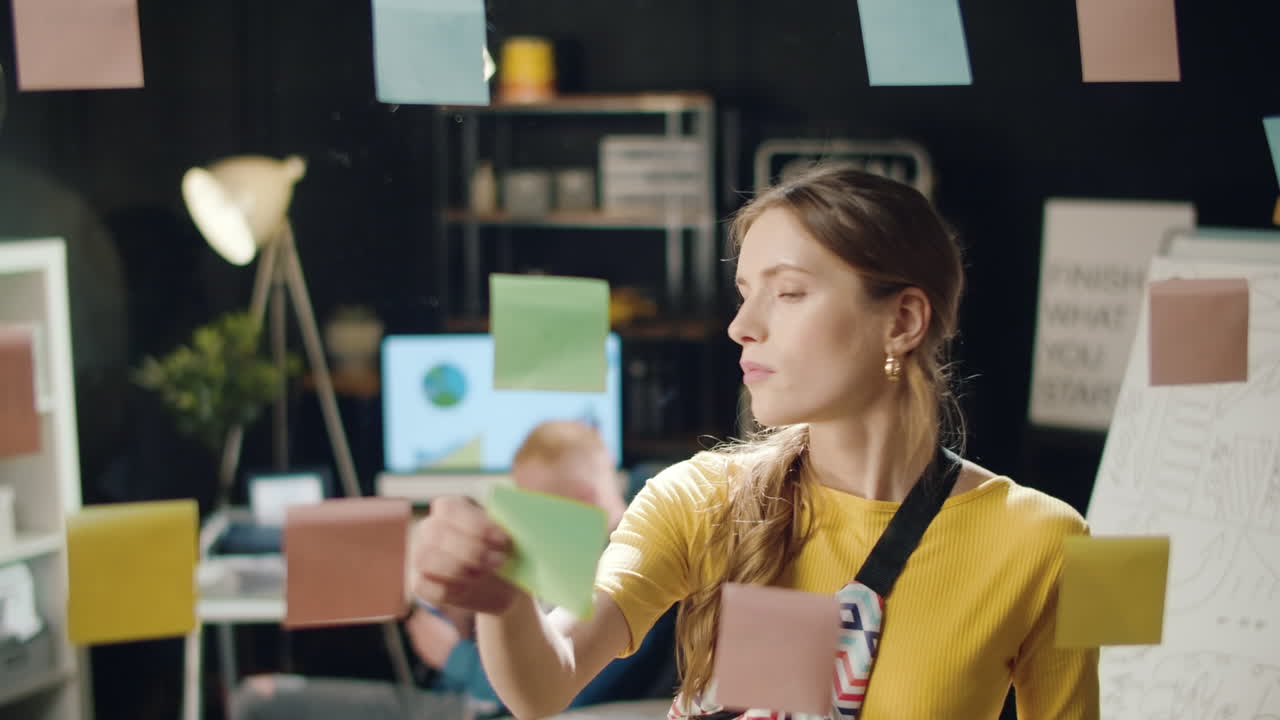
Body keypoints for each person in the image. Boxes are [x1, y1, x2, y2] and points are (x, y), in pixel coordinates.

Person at [409, 165, 1100, 720]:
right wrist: (503, 597)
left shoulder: (1043, 542)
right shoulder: (698, 499)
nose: (742, 324)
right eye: (744, 292)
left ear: (903, 320)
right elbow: (543, 686)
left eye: (789, 293)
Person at [232, 420, 676, 720]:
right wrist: (469, 620)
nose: (521, 522)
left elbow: (542, 691)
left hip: (474, 707)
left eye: (531, 505)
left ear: (581, 497)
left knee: (255, 700)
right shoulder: (579, 548)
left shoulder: (627, 575)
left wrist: (453, 655)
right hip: (463, 694)